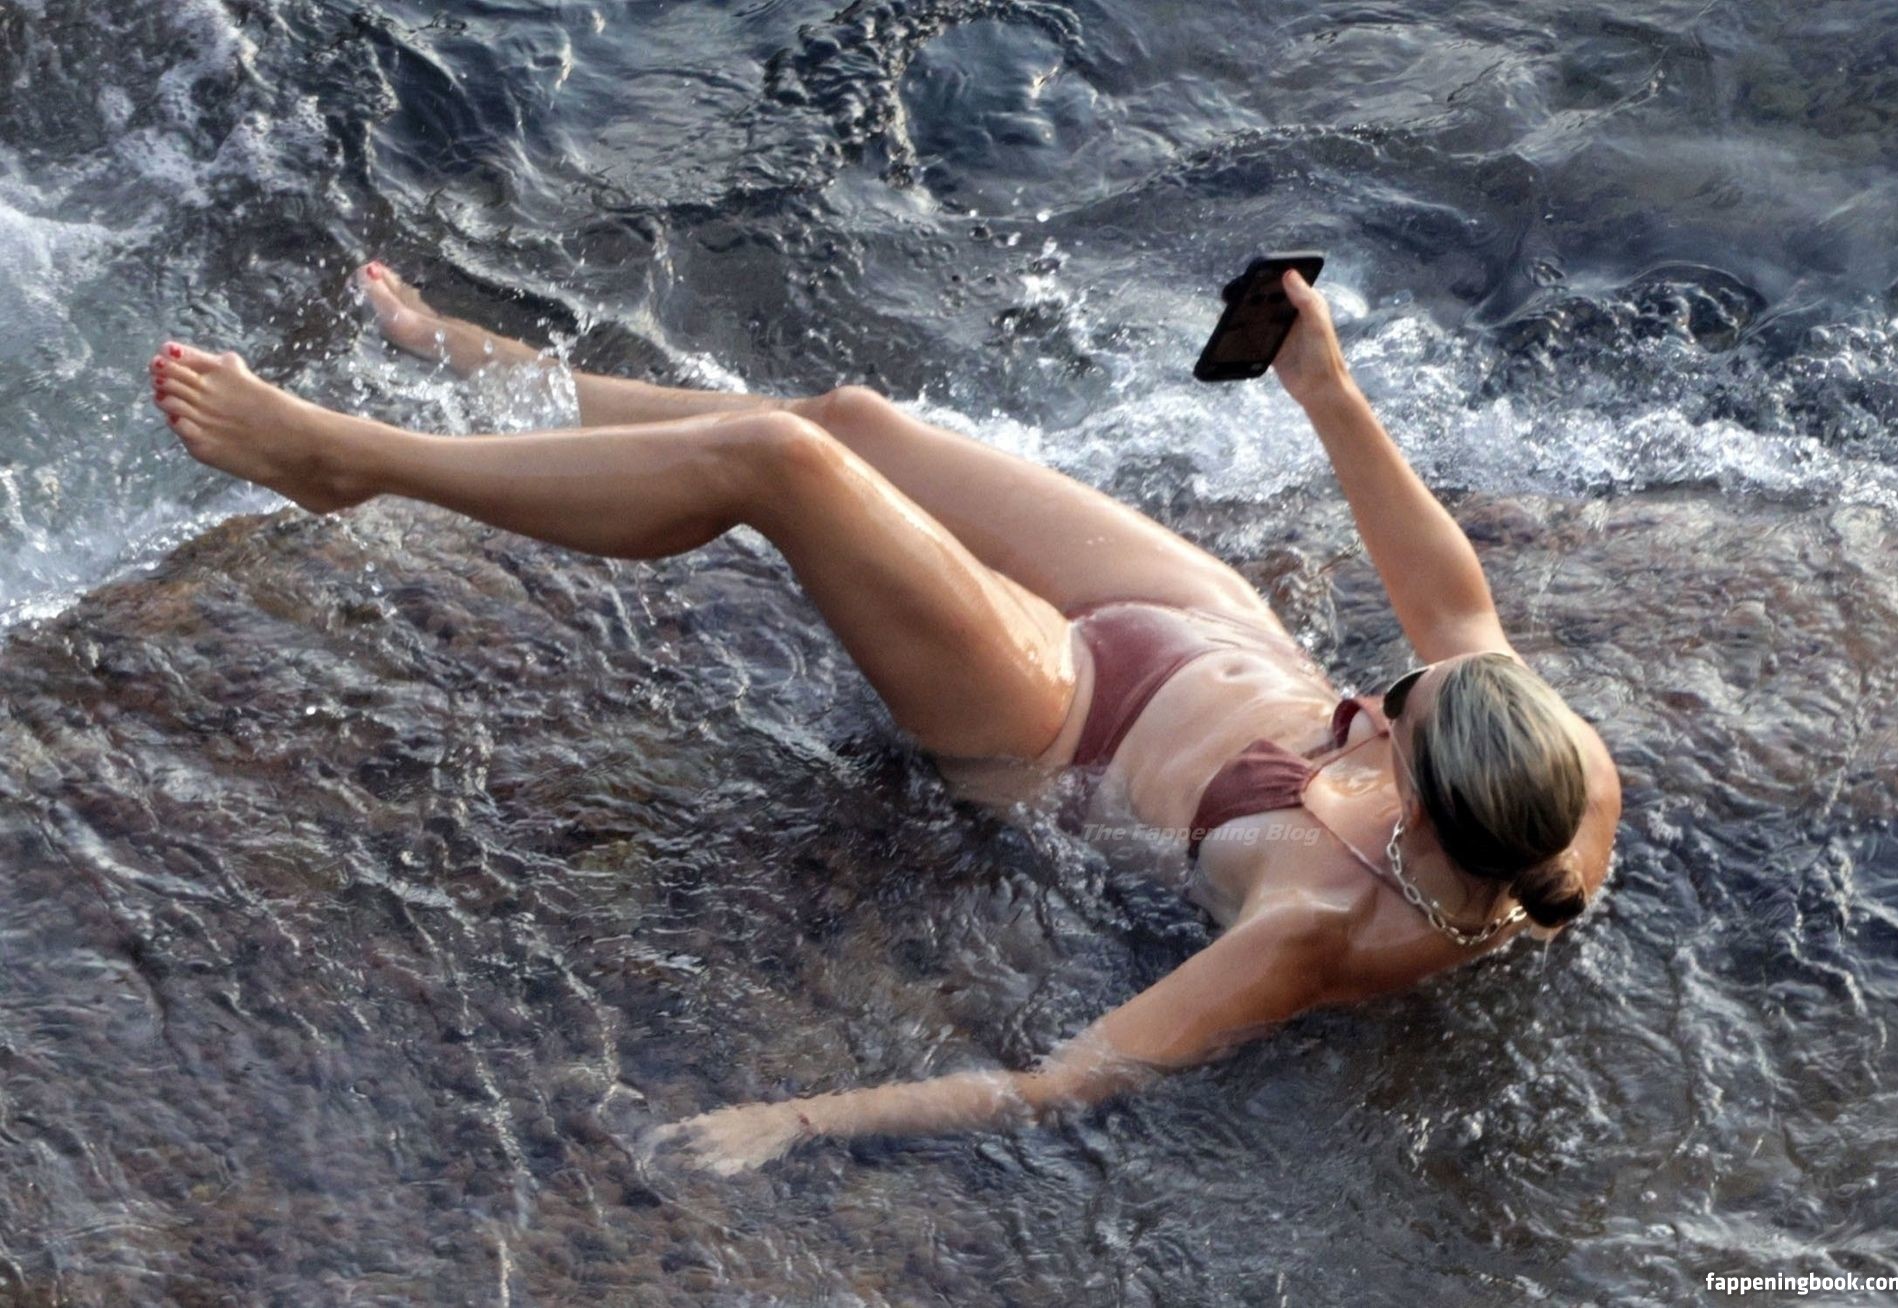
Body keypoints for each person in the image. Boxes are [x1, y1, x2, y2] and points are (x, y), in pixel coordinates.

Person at [148, 261, 1622, 1176]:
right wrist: (1325, 388)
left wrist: (800, 1121)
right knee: (851, 419)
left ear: (1419, 815)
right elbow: (1457, 608)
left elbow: (1063, 1081)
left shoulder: (1311, 930)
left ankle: (352, 460)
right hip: (1203, 628)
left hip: (1067, 718)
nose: (1364, 699)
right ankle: (477, 364)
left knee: (781, 467)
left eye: (1381, 724)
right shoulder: (1554, 780)